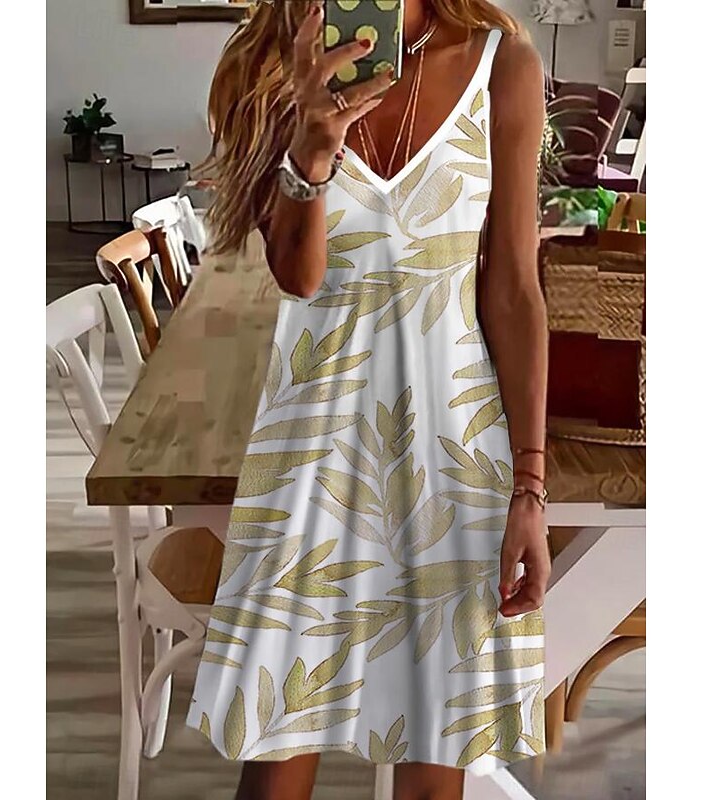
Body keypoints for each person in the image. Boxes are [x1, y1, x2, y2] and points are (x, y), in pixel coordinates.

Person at [187, 2, 551, 798]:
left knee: (437, 756)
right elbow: (299, 277)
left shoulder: (504, 66)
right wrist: (313, 147)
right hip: (310, 448)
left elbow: (514, 290)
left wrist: (530, 486)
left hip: (452, 445)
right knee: (276, 750)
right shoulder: (270, 66)